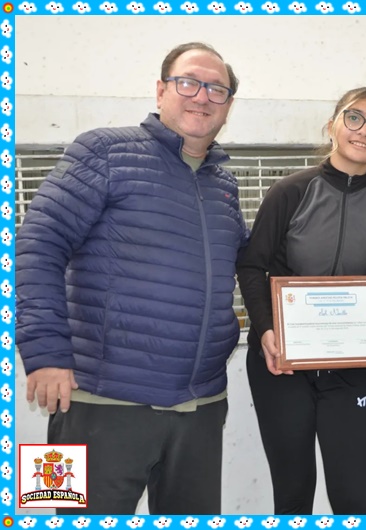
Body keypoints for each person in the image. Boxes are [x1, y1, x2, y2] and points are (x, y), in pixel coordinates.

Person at [15, 42, 249, 515]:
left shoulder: (223, 182)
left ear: (228, 106)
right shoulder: (102, 150)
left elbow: (249, 267)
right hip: (95, 404)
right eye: (189, 82)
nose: (202, 96)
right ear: (161, 90)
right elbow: (36, 245)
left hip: (200, 409)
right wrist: (46, 353)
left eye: (217, 89)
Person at [236, 87, 366, 515]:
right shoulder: (290, 191)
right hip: (282, 364)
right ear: (332, 124)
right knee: (293, 496)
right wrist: (266, 330)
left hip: (351, 368)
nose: (363, 131)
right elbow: (253, 266)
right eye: (354, 118)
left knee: (352, 497)